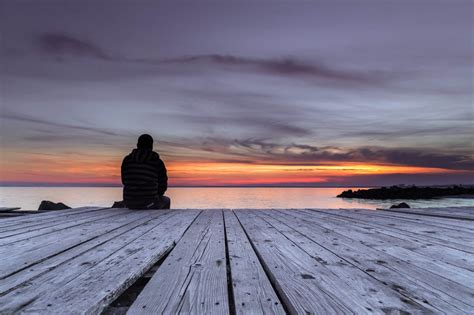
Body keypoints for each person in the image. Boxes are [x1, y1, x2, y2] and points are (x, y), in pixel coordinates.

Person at [121, 134, 170, 209]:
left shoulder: (127, 160)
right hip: (149, 203)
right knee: (166, 200)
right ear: (151, 146)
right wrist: (156, 195)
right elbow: (163, 185)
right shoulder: (156, 161)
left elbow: (124, 181)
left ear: (137, 145)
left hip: (129, 202)